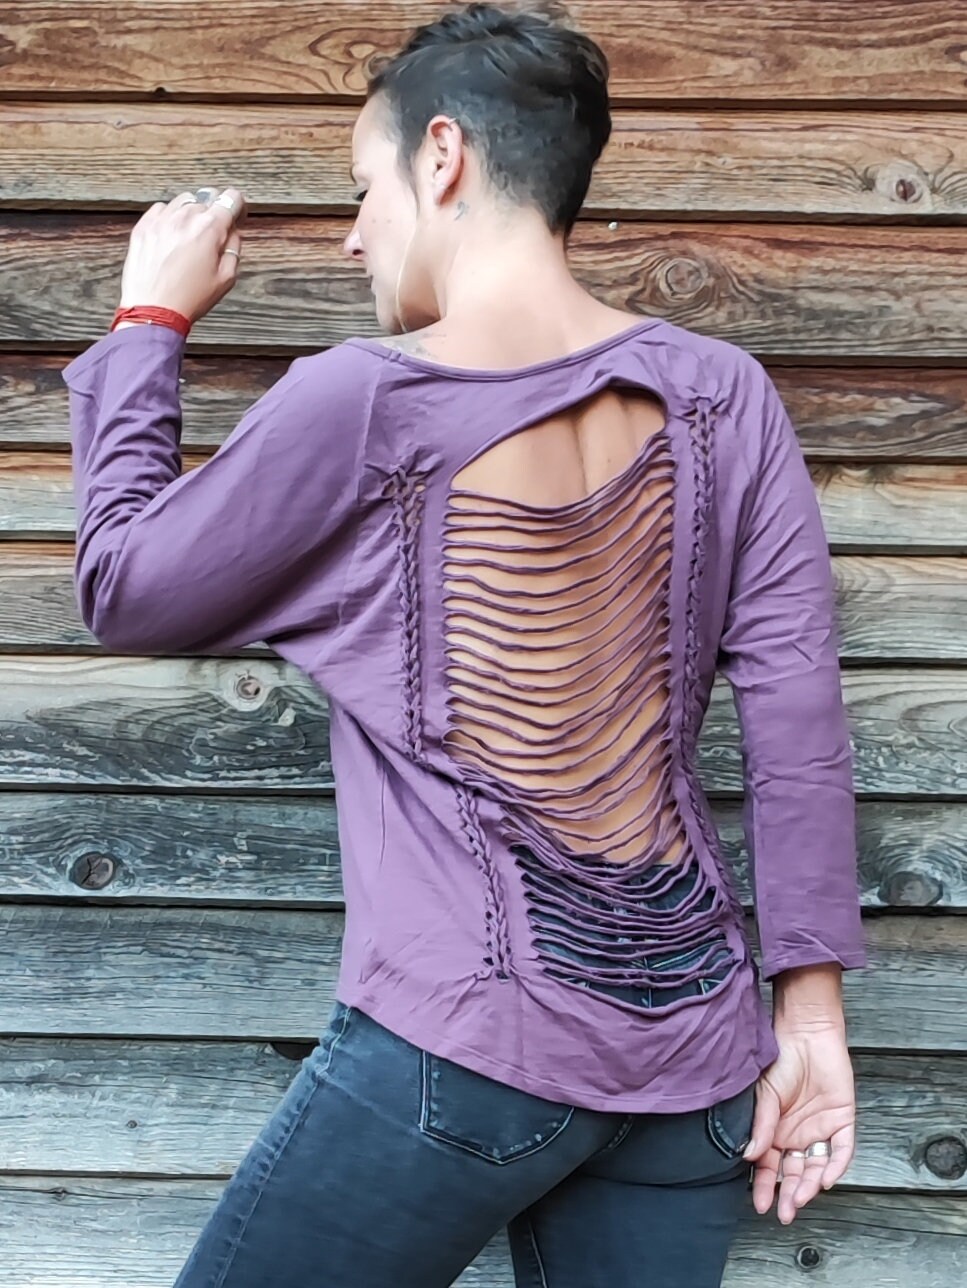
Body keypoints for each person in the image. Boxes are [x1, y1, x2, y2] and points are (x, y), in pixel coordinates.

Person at [62, 3, 868, 1285]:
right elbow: (795, 715)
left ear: (442, 157)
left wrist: (148, 325)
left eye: (362, 188)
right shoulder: (726, 393)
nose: (354, 234)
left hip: (466, 1048)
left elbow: (124, 586)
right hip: (698, 1061)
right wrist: (809, 1018)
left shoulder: (366, 396)